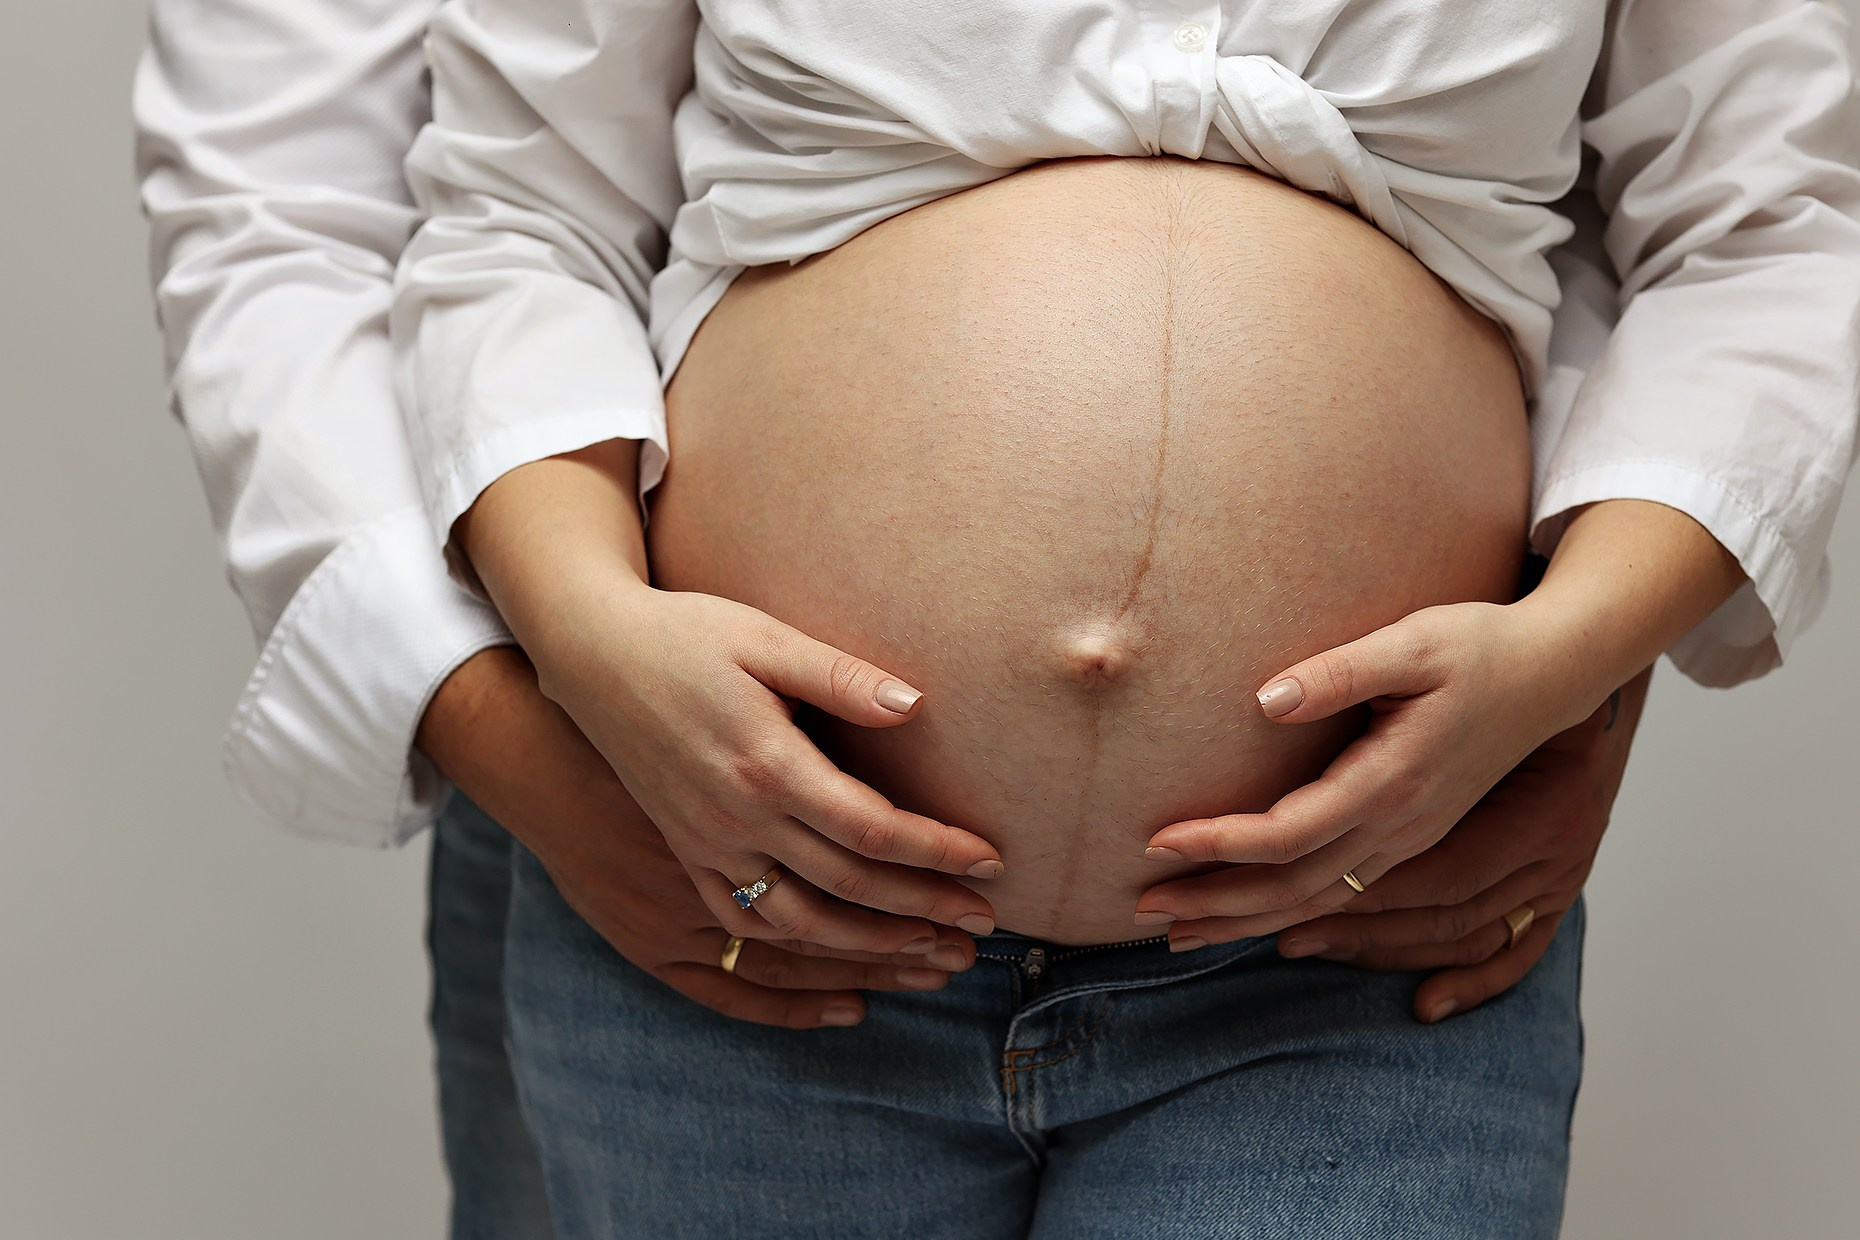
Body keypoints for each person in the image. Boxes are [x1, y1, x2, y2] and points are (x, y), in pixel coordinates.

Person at [128, 0, 1849, 1236]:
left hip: (1345, 935)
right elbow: (443, 212)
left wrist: (1575, 664)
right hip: (733, 884)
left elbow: (1758, 227)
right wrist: (567, 673)